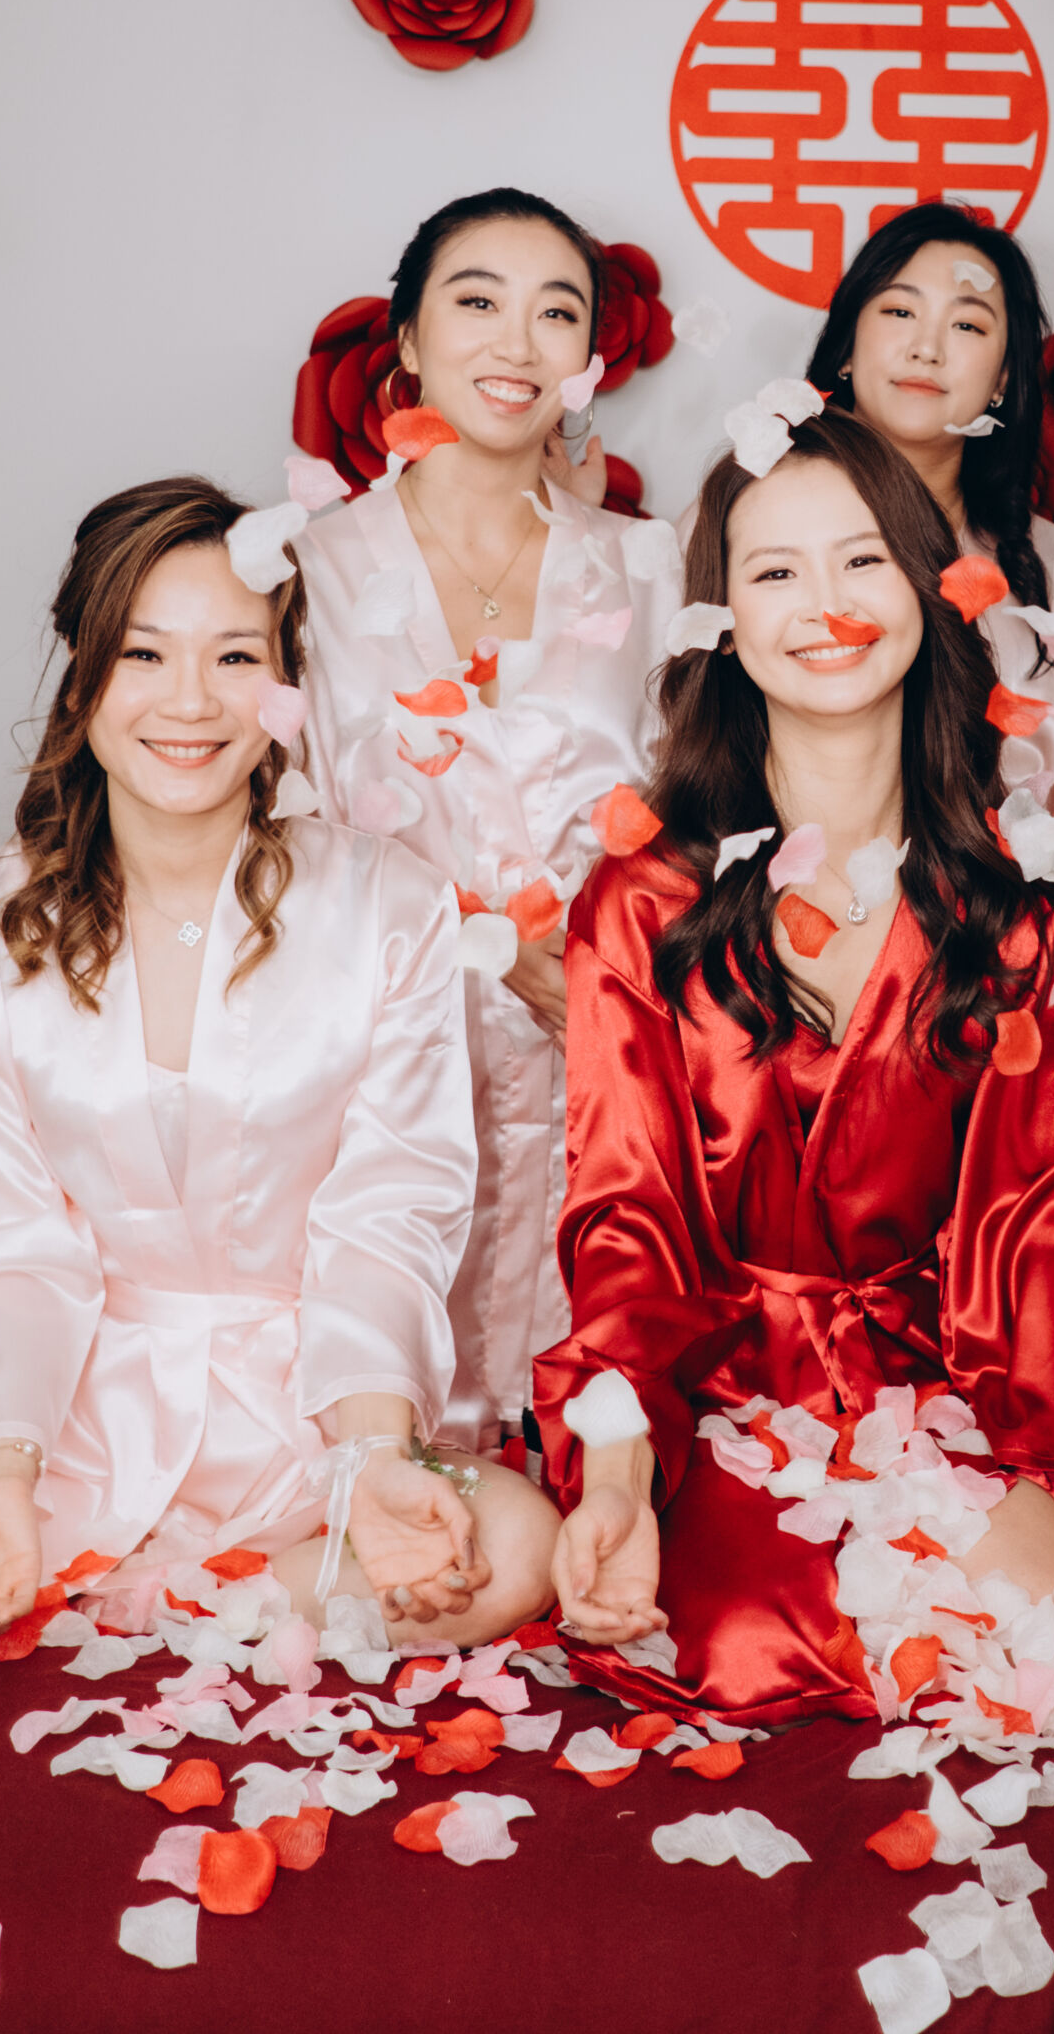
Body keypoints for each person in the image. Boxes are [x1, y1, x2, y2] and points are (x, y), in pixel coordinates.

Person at [0, 478, 556, 1688]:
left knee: (510, 1546)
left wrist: (372, 1458)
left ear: (287, 680)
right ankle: (109, 1593)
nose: (191, 702)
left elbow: (387, 1212)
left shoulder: (392, 908)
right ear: (83, 675)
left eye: (236, 656)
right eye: (144, 654)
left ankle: (156, 1613)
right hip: (61, 1424)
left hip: (309, 1416)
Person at [534, 404, 1054, 1728]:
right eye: (774, 572)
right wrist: (615, 1479)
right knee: (736, 1649)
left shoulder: (1016, 893)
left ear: (925, 584)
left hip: (945, 1377)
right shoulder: (640, 901)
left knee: (1024, 1634)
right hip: (715, 1390)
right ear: (719, 618)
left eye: (862, 560)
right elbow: (627, 1222)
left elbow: (1043, 1209)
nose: (827, 606)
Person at [297, 190, 683, 1455]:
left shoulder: (654, 568)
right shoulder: (307, 574)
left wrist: (606, 971)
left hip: (604, 1086)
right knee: (384, 1461)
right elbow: (278, 838)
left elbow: (708, 815)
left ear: (589, 358)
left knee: (587, 1460)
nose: (517, 343)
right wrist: (485, 945)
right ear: (408, 338)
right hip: (374, 1089)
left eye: (556, 312)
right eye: (477, 302)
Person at [805, 205, 1054, 796]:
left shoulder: (1052, 561)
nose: (927, 349)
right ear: (846, 347)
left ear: (1002, 379)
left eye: (967, 325)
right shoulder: (748, 524)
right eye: (900, 312)